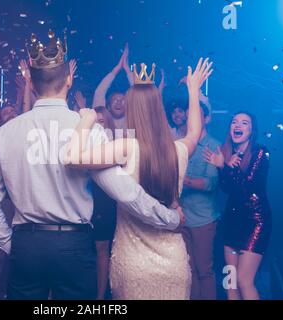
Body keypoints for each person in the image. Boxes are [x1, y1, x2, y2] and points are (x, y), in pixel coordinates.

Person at [0, 31, 182, 300]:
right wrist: (169, 218)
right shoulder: (87, 129)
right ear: (69, 80)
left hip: (26, 244)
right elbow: (123, 190)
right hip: (72, 246)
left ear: (31, 82)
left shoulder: (4, 134)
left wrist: (11, 243)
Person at [65, 58, 213, 299]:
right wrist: (193, 91)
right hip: (173, 262)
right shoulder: (178, 150)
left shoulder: (127, 148)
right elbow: (195, 132)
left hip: (133, 265)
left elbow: (72, 156)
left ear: (132, 110)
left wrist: (86, 118)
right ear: (159, 109)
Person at [203, 111, 271, 300]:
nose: (238, 126)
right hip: (232, 222)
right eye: (234, 122)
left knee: (243, 280)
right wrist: (223, 166)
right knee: (230, 281)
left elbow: (247, 187)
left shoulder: (260, 152)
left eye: (244, 123)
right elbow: (226, 189)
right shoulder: (226, 153)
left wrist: (223, 167)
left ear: (252, 130)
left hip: (255, 221)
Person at [181, 102, 221, 300]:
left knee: (204, 270)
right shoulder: (183, 144)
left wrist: (181, 179)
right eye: (188, 117)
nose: (190, 121)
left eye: (195, 116)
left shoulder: (213, 146)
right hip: (183, 217)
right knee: (189, 271)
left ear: (205, 119)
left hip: (203, 219)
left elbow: (210, 184)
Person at [91, 106, 117, 300]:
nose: (97, 127)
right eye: (94, 123)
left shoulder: (116, 150)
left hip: (105, 204)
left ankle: (100, 298)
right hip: (84, 203)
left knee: (102, 250)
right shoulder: (82, 149)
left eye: (101, 122)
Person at [92, 44, 134, 130]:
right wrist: (116, 70)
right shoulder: (102, 119)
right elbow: (99, 93)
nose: (119, 102)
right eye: (115, 100)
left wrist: (127, 69)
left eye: (122, 100)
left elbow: (141, 97)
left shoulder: (133, 120)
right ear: (108, 106)